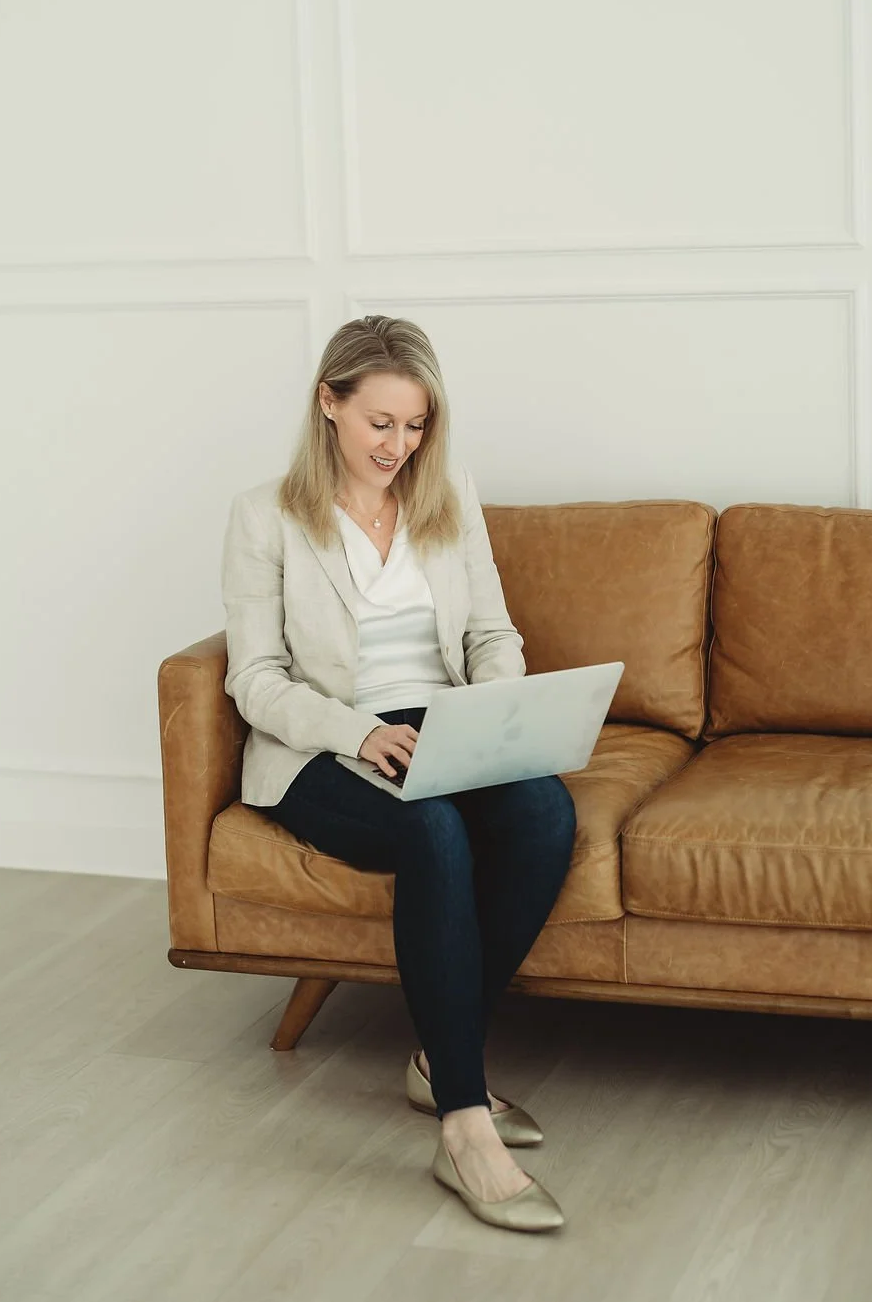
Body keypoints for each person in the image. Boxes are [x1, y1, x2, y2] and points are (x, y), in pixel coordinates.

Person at [221, 315, 577, 1233]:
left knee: (544, 813)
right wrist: (356, 729)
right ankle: (464, 1122)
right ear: (328, 404)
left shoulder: (447, 494)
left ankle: (435, 1055)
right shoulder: (266, 516)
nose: (400, 446)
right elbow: (255, 678)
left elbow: (492, 634)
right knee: (432, 832)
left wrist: (495, 715)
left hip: (442, 723)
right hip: (323, 746)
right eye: (381, 422)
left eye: (415, 425)